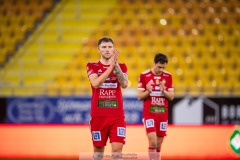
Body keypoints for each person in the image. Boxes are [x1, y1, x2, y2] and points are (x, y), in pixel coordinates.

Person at [86, 36, 128, 160]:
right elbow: (95, 83)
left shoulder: (122, 66)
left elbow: (124, 84)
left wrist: (116, 66)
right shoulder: (92, 66)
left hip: (117, 116)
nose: (107, 50)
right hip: (99, 115)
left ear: (113, 49)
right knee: (98, 151)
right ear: (99, 49)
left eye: (110, 47)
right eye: (104, 47)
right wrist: (110, 67)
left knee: (117, 151)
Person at [137, 53, 174, 160]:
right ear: (154, 63)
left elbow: (171, 97)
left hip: (162, 114)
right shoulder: (144, 75)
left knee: (158, 144)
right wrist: (148, 91)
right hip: (149, 113)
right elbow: (140, 96)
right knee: (153, 142)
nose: (161, 70)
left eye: (163, 68)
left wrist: (163, 91)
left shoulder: (168, 76)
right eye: (159, 67)